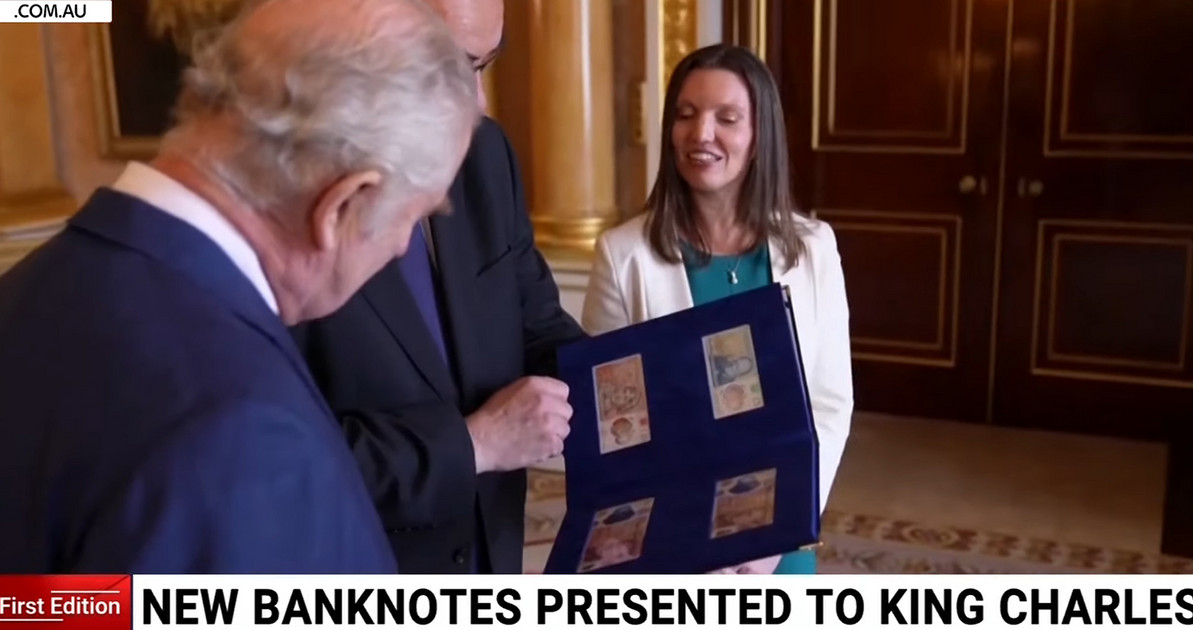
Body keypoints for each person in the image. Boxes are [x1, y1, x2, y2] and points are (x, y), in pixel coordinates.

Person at [0, 0, 478, 572]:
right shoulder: (242, 436)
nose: (403, 246)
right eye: (415, 215)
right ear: (343, 205)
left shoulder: (27, 291)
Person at [290, 0, 583, 574]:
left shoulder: (487, 153)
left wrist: (646, 394)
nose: (479, 102)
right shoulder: (287, 195)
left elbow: (538, 325)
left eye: (484, 65)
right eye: (454, 66)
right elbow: (282, 464)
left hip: (492, 554)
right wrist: (475, 445)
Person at [581, 43, 854, 574]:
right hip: (668, 534)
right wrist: (680, 532)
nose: (701, 133)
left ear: (759, 136)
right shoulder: (622, 254)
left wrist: (776, 532)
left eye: (726, 118)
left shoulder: (814, 247)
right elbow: (611, 424)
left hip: (780, 537)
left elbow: (828, 404)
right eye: (686, 115)